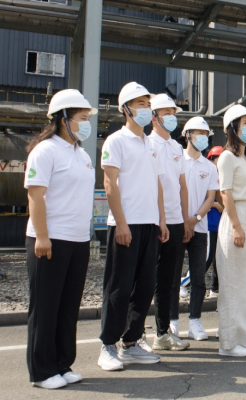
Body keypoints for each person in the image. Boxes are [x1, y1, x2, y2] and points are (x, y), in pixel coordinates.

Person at [24, 89, 97, 389]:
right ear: (63, 118)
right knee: (46, 307)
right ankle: (42, 371)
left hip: (78, 240)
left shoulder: (82, 154)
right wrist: (42, 236)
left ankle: (62, 364)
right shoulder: (45, 151)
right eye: (82, 118)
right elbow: (35, 196)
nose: (86, 124)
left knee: (68, 307)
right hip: (50, 238)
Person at [98, 82, 169, 370]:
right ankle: (107, 345)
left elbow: (157, 185)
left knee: (145, 287)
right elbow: (109, 183)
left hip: (149, 224)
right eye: (140, 104)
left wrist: (161, 220)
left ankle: (131, 343)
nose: (146, 109)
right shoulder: (115, 141)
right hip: (125, 224)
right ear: (126, 109)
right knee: (119, 287)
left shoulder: (150, 145)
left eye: (147, 104)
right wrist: (121, 223)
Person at [216, 105, 246, 357]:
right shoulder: (226, 157)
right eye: (245, 123)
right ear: (233, 129)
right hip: (236, 216)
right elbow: (225, 192)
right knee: (235, 281)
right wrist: (236, 226)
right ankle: (230, 343)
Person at [168, 117, 219, 341]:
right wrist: (183, 221)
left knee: (198, 276)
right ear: (187, 135)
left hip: (199, 227)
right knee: (172, 275)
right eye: (199, 133)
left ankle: (195, 321)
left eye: (206, 134)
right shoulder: (176, 159)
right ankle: (172, 321)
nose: (203, 138)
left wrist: (195, 219)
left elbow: (210, 198)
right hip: (176, 225)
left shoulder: (209, 167)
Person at [146, 94, 190, 353]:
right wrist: (161, 219)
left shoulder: (176, 147)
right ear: (154, 117)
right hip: (152, 221)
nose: (173, 117)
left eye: (174, 113)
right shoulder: (147, 144)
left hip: (175, 221)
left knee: (168, 280)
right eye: (167, 113)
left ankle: (162, 333)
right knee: (144, 279)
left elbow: (182, 186)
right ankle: (133, 336)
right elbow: (155, 186)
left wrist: (184, 220)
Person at [205, 146, 224, 297]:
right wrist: (217, 205)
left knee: (219, 258)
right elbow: (204, 198)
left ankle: (215, 288)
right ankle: (184, 282)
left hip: (221, 224)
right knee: (208, 256)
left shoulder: (223, 175)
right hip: (209, 223)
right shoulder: (206, 174)